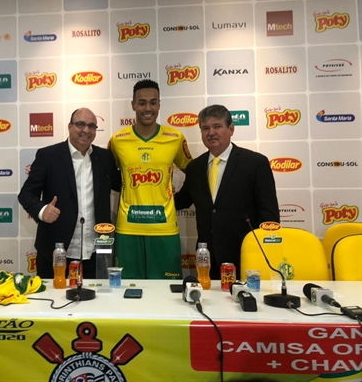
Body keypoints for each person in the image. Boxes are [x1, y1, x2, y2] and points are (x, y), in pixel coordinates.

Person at [174, 104, 280, 279]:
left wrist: (267, 250)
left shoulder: (255, 163)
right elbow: (182, 201)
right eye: (205, 128)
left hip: (246, 256)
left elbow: (269, 214)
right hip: (208, 259)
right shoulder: (195, 167)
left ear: (231, 129)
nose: (211, 133)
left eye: (217, 126)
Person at [18, 108, 120, 279]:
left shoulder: (104, 157)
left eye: (91, 126)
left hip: (96, 253)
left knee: (97, 304)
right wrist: (43, 211)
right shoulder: (48, 156)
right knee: (52, 302)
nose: (86, 130)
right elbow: (26, 194)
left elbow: (122, 185)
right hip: (56, 253)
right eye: (80, 124)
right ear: (70, 126)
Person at [108, 79, 193, 279]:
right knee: (127, 291)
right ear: (133, 105)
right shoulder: (117, 140)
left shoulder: (175, 138)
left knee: (167, 295)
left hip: (164, 228)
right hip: (128, 229)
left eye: (153, 102)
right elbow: (108, 178)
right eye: (142, 102)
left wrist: (178, 200)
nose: (148, 108)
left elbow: (194, 173)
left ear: (159, 105)